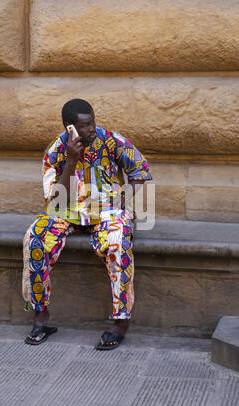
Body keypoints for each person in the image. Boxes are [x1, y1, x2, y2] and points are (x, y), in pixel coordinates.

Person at [22, 99, 152, 349]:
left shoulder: (113, 140)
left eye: (92, 122)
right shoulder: (56, 150)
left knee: (117, 241)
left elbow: (140, 170)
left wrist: (123, 199)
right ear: (69, 127)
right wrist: (71, 159)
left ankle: (120, 321)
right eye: (85, 125)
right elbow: (56, 199)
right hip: (66, 211)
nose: (92, 129)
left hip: (107, 211)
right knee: (35, 237)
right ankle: (41, 318)